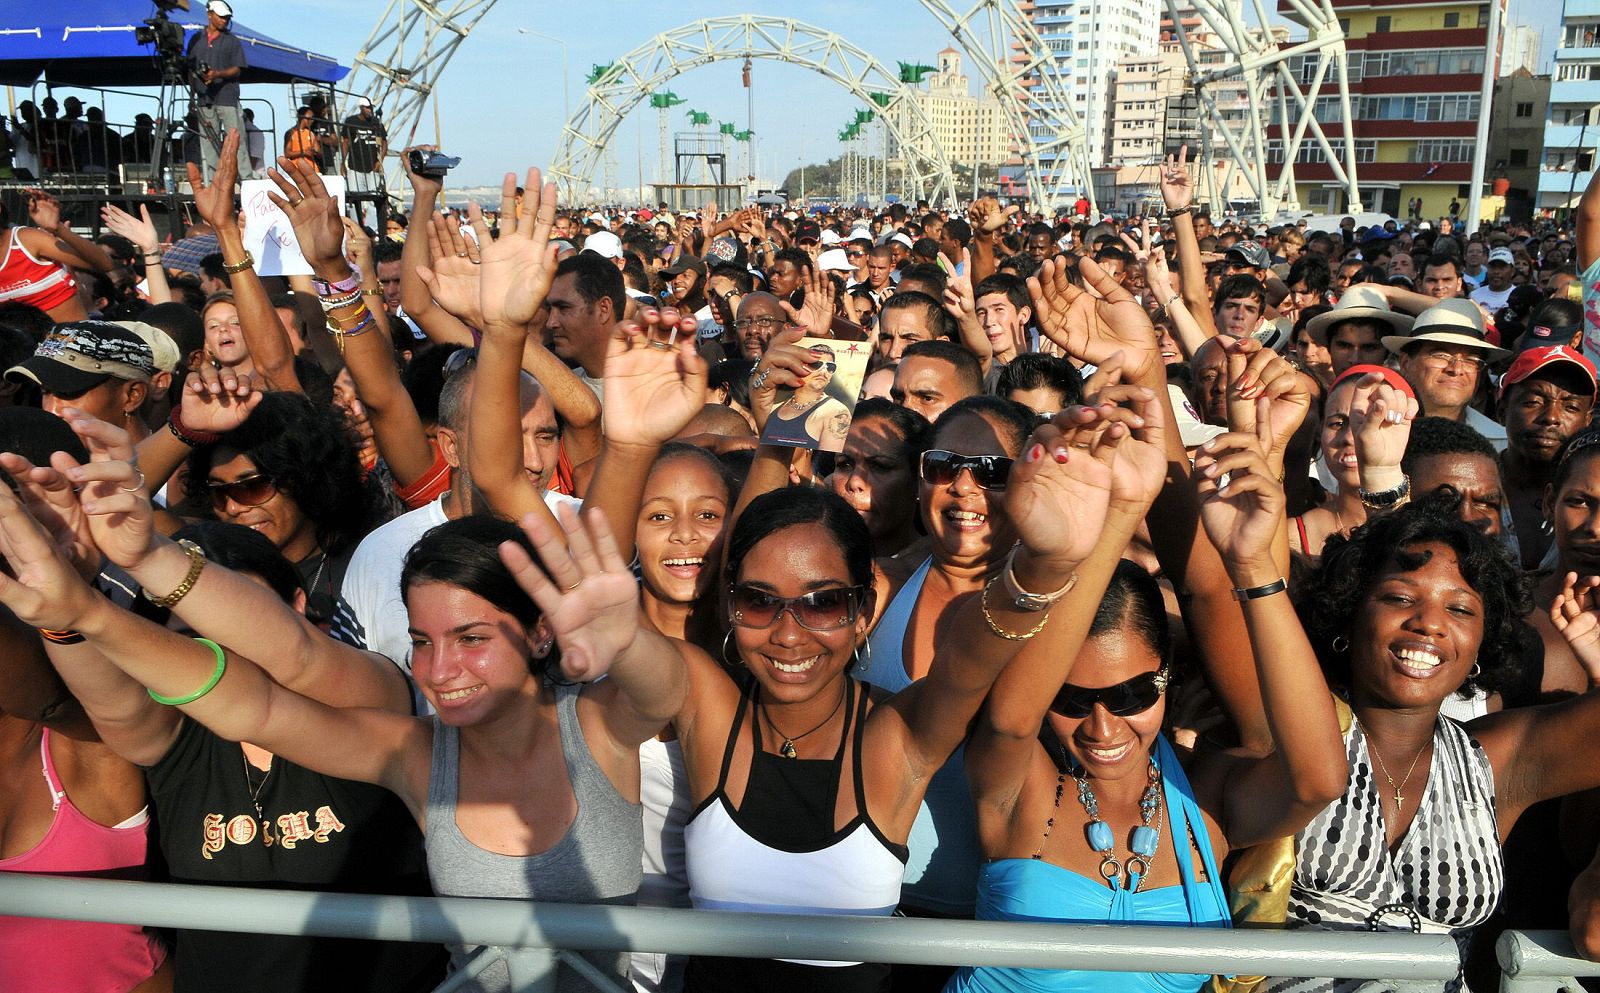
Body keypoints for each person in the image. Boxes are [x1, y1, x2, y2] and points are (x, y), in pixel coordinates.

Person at [953, 366, 1346, 992]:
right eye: (1073, 699)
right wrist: (1122, 513)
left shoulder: (1203, 796)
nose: (1103, 726)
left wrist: (1252, 567)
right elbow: (1010, 717)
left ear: (1166, 677)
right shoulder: (1017, 780)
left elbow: (1319, 780)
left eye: (1133, 694)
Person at [1274, 501, 1600, 991]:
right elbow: (1213, 592)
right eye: (1401, 598)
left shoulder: (1496, 761)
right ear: (1348, 612)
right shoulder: (1285, 733)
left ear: (1480, 642)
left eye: (1460, 608)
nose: (1429, 623)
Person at [1382, 298, 1510, 448]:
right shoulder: (1378, 430)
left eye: (1471, 359)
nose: (1456, 369)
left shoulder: (1503, 443)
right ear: (1405, 363)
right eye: (1441, 355)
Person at [828, 398, 931, 560]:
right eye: (844, 464)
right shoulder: (813, 558)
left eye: (880, 467)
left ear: (918, 482)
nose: (855, 482)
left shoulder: (934, 571)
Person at [0, 190, 118, 322]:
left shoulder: (26, 240)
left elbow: (105, 264)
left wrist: (58, 229)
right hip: (21, 342)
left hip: (73, 339)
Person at [185, 1, 253, 181]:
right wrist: (193, 96)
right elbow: (191, 70)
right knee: (209, 143)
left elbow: (238, 68)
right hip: (204, 99)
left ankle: (247, 181)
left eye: (226, 18)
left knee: (236, 142)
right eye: (221, 16)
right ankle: (215, 184)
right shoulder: (196, 39)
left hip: (227, 97)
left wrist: (217, 74)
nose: (224, 20)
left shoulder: (231, 40)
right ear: (210, 15)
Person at [760, 342, 852, 452]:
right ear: (796, 367)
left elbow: (826, 463)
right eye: (816, 364)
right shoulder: (776, 405)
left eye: (830, 367)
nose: (823, 371)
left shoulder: (836, 412)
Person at [341, 97, 388, 190]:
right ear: (361, 108)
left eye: (371, 107)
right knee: (356, 197)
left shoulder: (376, 122)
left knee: (372, 199)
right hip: (355, 168)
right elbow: (345, 142)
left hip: (373, 168)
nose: (369, 110)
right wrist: (342, 162)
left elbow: (384, 143)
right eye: (367, 107)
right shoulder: (351, 121)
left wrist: (380, 161)